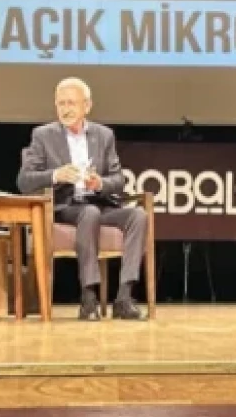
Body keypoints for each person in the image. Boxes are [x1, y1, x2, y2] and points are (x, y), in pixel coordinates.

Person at [16, 77, 148, 321]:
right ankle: (88, 298)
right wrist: (56, 175)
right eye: (61, 103)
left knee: (138, 215)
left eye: (71, 103)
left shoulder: (104, 135)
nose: (65, 109)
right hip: (66, 207)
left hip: (99, 202)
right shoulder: (43, 135)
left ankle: (124, 297)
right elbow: (24, 181)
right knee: (89, 213)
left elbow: (118, 179)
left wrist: (100, 183)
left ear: (87, 106)